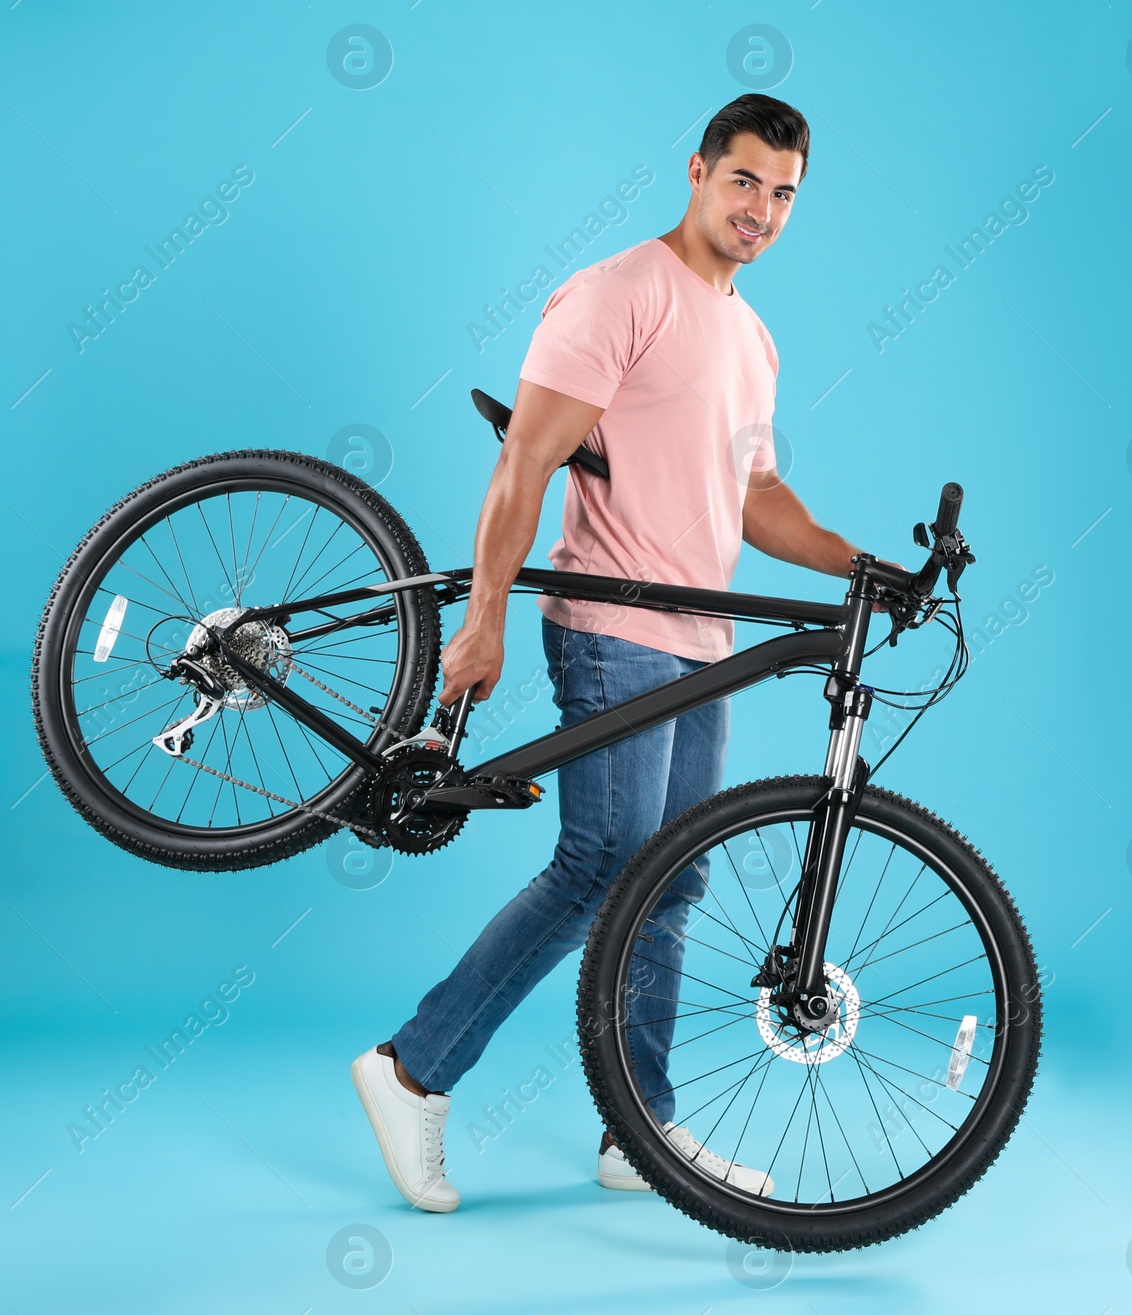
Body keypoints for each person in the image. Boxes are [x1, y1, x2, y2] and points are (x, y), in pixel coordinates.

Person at [351, 94, 879, 1212]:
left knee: (671, 881)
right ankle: (411, 1071)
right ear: (695, 172)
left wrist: (860, 565)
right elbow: (525, 465)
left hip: (702, 640)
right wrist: (484, 617)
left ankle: (637, 1128)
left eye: (783, 194)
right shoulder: (617, 294)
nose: (761, 211)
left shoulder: (751, 335)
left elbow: (755, 496)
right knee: (602, 864)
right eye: (744, 182)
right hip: (609, 629)